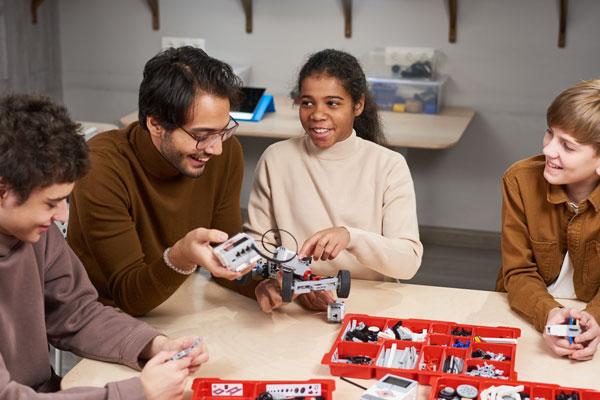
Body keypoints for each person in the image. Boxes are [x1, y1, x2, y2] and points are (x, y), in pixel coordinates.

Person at [0, 93, 208, 399]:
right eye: (51, 203)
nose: (62, 215)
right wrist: (139, 392)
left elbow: (77, 312)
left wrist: (155, 345)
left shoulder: (35, 233)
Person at [67, 47, 253, 316]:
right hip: (107, 314)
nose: (216, 149)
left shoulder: (224, 153)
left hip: (177, 299)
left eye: (223, 132)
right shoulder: (101, 166)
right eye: (202, 135)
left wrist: (267, 285)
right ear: (156, 124)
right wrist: (181, 256)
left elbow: (227, 253)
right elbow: (130, 297)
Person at [245, 49, 423, 313]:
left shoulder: (388, 165)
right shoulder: (276, 159)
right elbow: (257, 247)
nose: (317, 114)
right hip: (294, 306)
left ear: (358, 105)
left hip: (372, 306)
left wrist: (351, 237)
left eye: (332, 103)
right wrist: (282, 282)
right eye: (307, 103)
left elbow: (407, 263)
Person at [496, 79, 600, 361]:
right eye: (549, 134)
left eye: (567, 146)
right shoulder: (519, 180)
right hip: (527, 313)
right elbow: (517, 272)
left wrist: (592, 322)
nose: (549, 151)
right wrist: (551, 316)